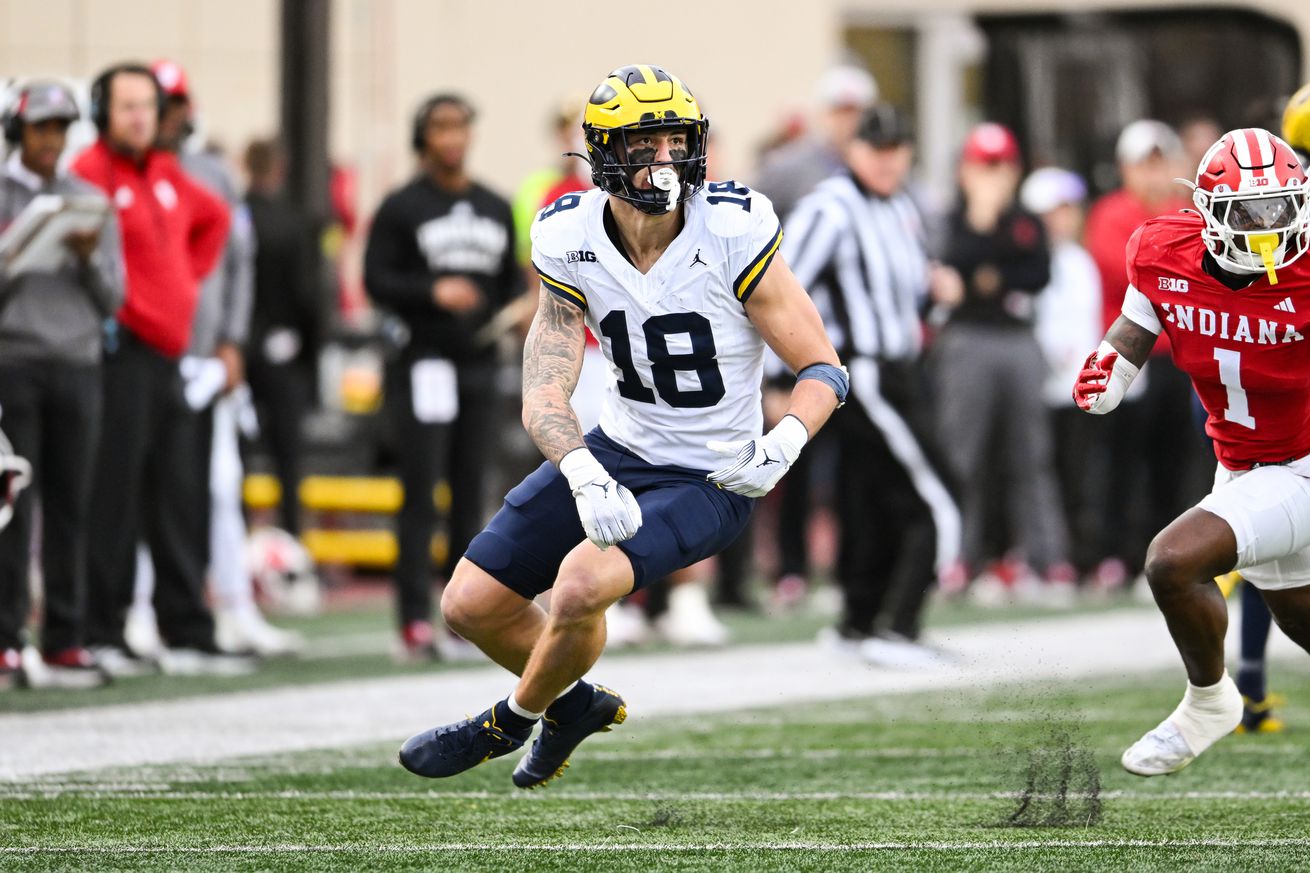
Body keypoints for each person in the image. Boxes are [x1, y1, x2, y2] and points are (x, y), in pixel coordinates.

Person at [397, 65, 845, 788]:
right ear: (605, 154)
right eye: (646, 143)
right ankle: (571, 705)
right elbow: (545, 386)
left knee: (579, 584)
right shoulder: (569, 234)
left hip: (714, 471)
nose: (666, 158)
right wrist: (580, 467)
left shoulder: (731, 228)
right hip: (621, 446)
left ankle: (505, 722)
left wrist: (783, 442)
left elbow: (823, 367)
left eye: (676, 139)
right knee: (469, 604)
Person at [1074, 127, 1310, 776]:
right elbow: (1137, 320)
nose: (1268, 227)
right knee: (1298, 613)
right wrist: (1109, 367)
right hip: (1240, 463)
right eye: (1250, 212)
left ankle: (1208, 702)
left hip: (1302, 462)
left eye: (1282, 206)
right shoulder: (1162, 250)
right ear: (1207, 212)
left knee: (1173, 562)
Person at [72, 63, 243, 677]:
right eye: (128, 107)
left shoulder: (167, 173)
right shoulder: (87, 176)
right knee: (113, 496)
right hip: (121, 354)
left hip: (169, 356)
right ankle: (103, 627)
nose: (142, 118)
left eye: (149, 106)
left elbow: (217, 218)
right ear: (103, 113)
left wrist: (184, 282)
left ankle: (186, 626)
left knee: (178, 491)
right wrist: (133, 303)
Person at [784, 105, 959, 661]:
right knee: (940, 495)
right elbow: (779, 290)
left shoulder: (901, 205)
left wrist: (937, 294)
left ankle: (859, 623)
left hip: (900, 368)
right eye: (875, 148)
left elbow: (906, 294)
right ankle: (897, 627)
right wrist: (772, 377)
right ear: (853, 150)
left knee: (874, 500)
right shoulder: (830, 208)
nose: (886, 160)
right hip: (865, 370)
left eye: (896, 149)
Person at [364, 93, 521, 661]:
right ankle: (411, 619)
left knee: (469, 491)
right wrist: (432, 291)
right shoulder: (402, 207)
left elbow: (507, 282)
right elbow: (375, 279)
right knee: (420, 492)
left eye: (461, 126)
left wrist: (521, 306)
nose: (453, 137)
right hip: (422, 364)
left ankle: (463, 617)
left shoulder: (494, 206)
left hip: (477, 365)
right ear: (422, 137)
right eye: (441, 127)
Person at [0, 80, 122, 688]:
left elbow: (114, 298)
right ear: (17, 130)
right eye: (41, 127)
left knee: (74, 504)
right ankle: (7, 638)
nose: (51, 139)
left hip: (77, 362)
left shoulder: (88, 199)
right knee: (13, 507)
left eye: (59, 128)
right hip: (15, 360)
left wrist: (86, 256)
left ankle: (65, 637)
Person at [931, 123, 1072, 600]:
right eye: (983, 165)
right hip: (967, 339)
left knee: (1031, 455)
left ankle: (1046, 559)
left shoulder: (1027, 219)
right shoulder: (952, 217)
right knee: (960, 454)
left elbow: (1036, 273)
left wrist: (981, 274)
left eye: (1000, 165)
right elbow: (954, 260)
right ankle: (954, 557)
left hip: (1016, 339)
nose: (992, 175)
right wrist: (984, 231)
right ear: (965, 170)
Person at [1083, 120, 1206, 591]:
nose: (1153, 174)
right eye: (1144, 164)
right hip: (1127, 358)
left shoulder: (1186, 213)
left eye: (1160, 162)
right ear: (1125, 169)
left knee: (1173, 461)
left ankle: (1166, 556)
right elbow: (1132, 273)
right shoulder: (1112, 214)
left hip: (1176, 358)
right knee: (1118, 459)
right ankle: (1115, 554)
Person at [1022, 167, 1103, 581]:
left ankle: (1080, 558)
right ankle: (1044, 558)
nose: (1062, 219)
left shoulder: (1080, 262)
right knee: (1037, 476)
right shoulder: (1028, 261)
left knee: (1079, 477)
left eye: (1068, 210)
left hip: (1076, 391)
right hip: (1035, 390)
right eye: (1054, 210)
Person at [243, 137, 321, 539]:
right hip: (281, 349)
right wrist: (308, 351)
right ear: (279, 168)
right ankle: (291, 536)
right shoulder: (293, 222)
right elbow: (308, 294)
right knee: (287, 457)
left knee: (238, 456)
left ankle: (237, 543)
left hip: (240, 349)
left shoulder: (238, 215)